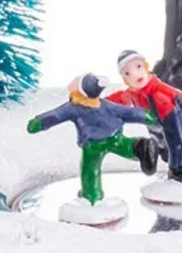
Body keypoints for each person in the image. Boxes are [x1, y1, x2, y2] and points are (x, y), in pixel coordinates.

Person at [27, 73, 158, 205]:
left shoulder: (73, 108)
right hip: (114, 135)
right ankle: (140, 147)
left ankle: (91, 196)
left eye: (75, 83)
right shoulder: (103, 104)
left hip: (94, 144)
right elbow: (124, 112)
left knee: (90, 168)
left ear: (80, 91)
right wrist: (146, 116)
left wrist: (38, 123)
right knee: (124, 146)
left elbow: (55, 116)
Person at [106, 50, 182, 183]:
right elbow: (119, 98)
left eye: (138, 67)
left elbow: (175, 131)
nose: (135, 74)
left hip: (167, 116)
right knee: (161, 143)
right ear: (124, 78)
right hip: (154, 124)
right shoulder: (133, 93)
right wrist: (99, 103)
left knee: (174, 141)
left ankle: (180, 170)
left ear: (146, 66)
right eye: (128, 73)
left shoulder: (158, 93)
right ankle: (166, 153)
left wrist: (178, 165)